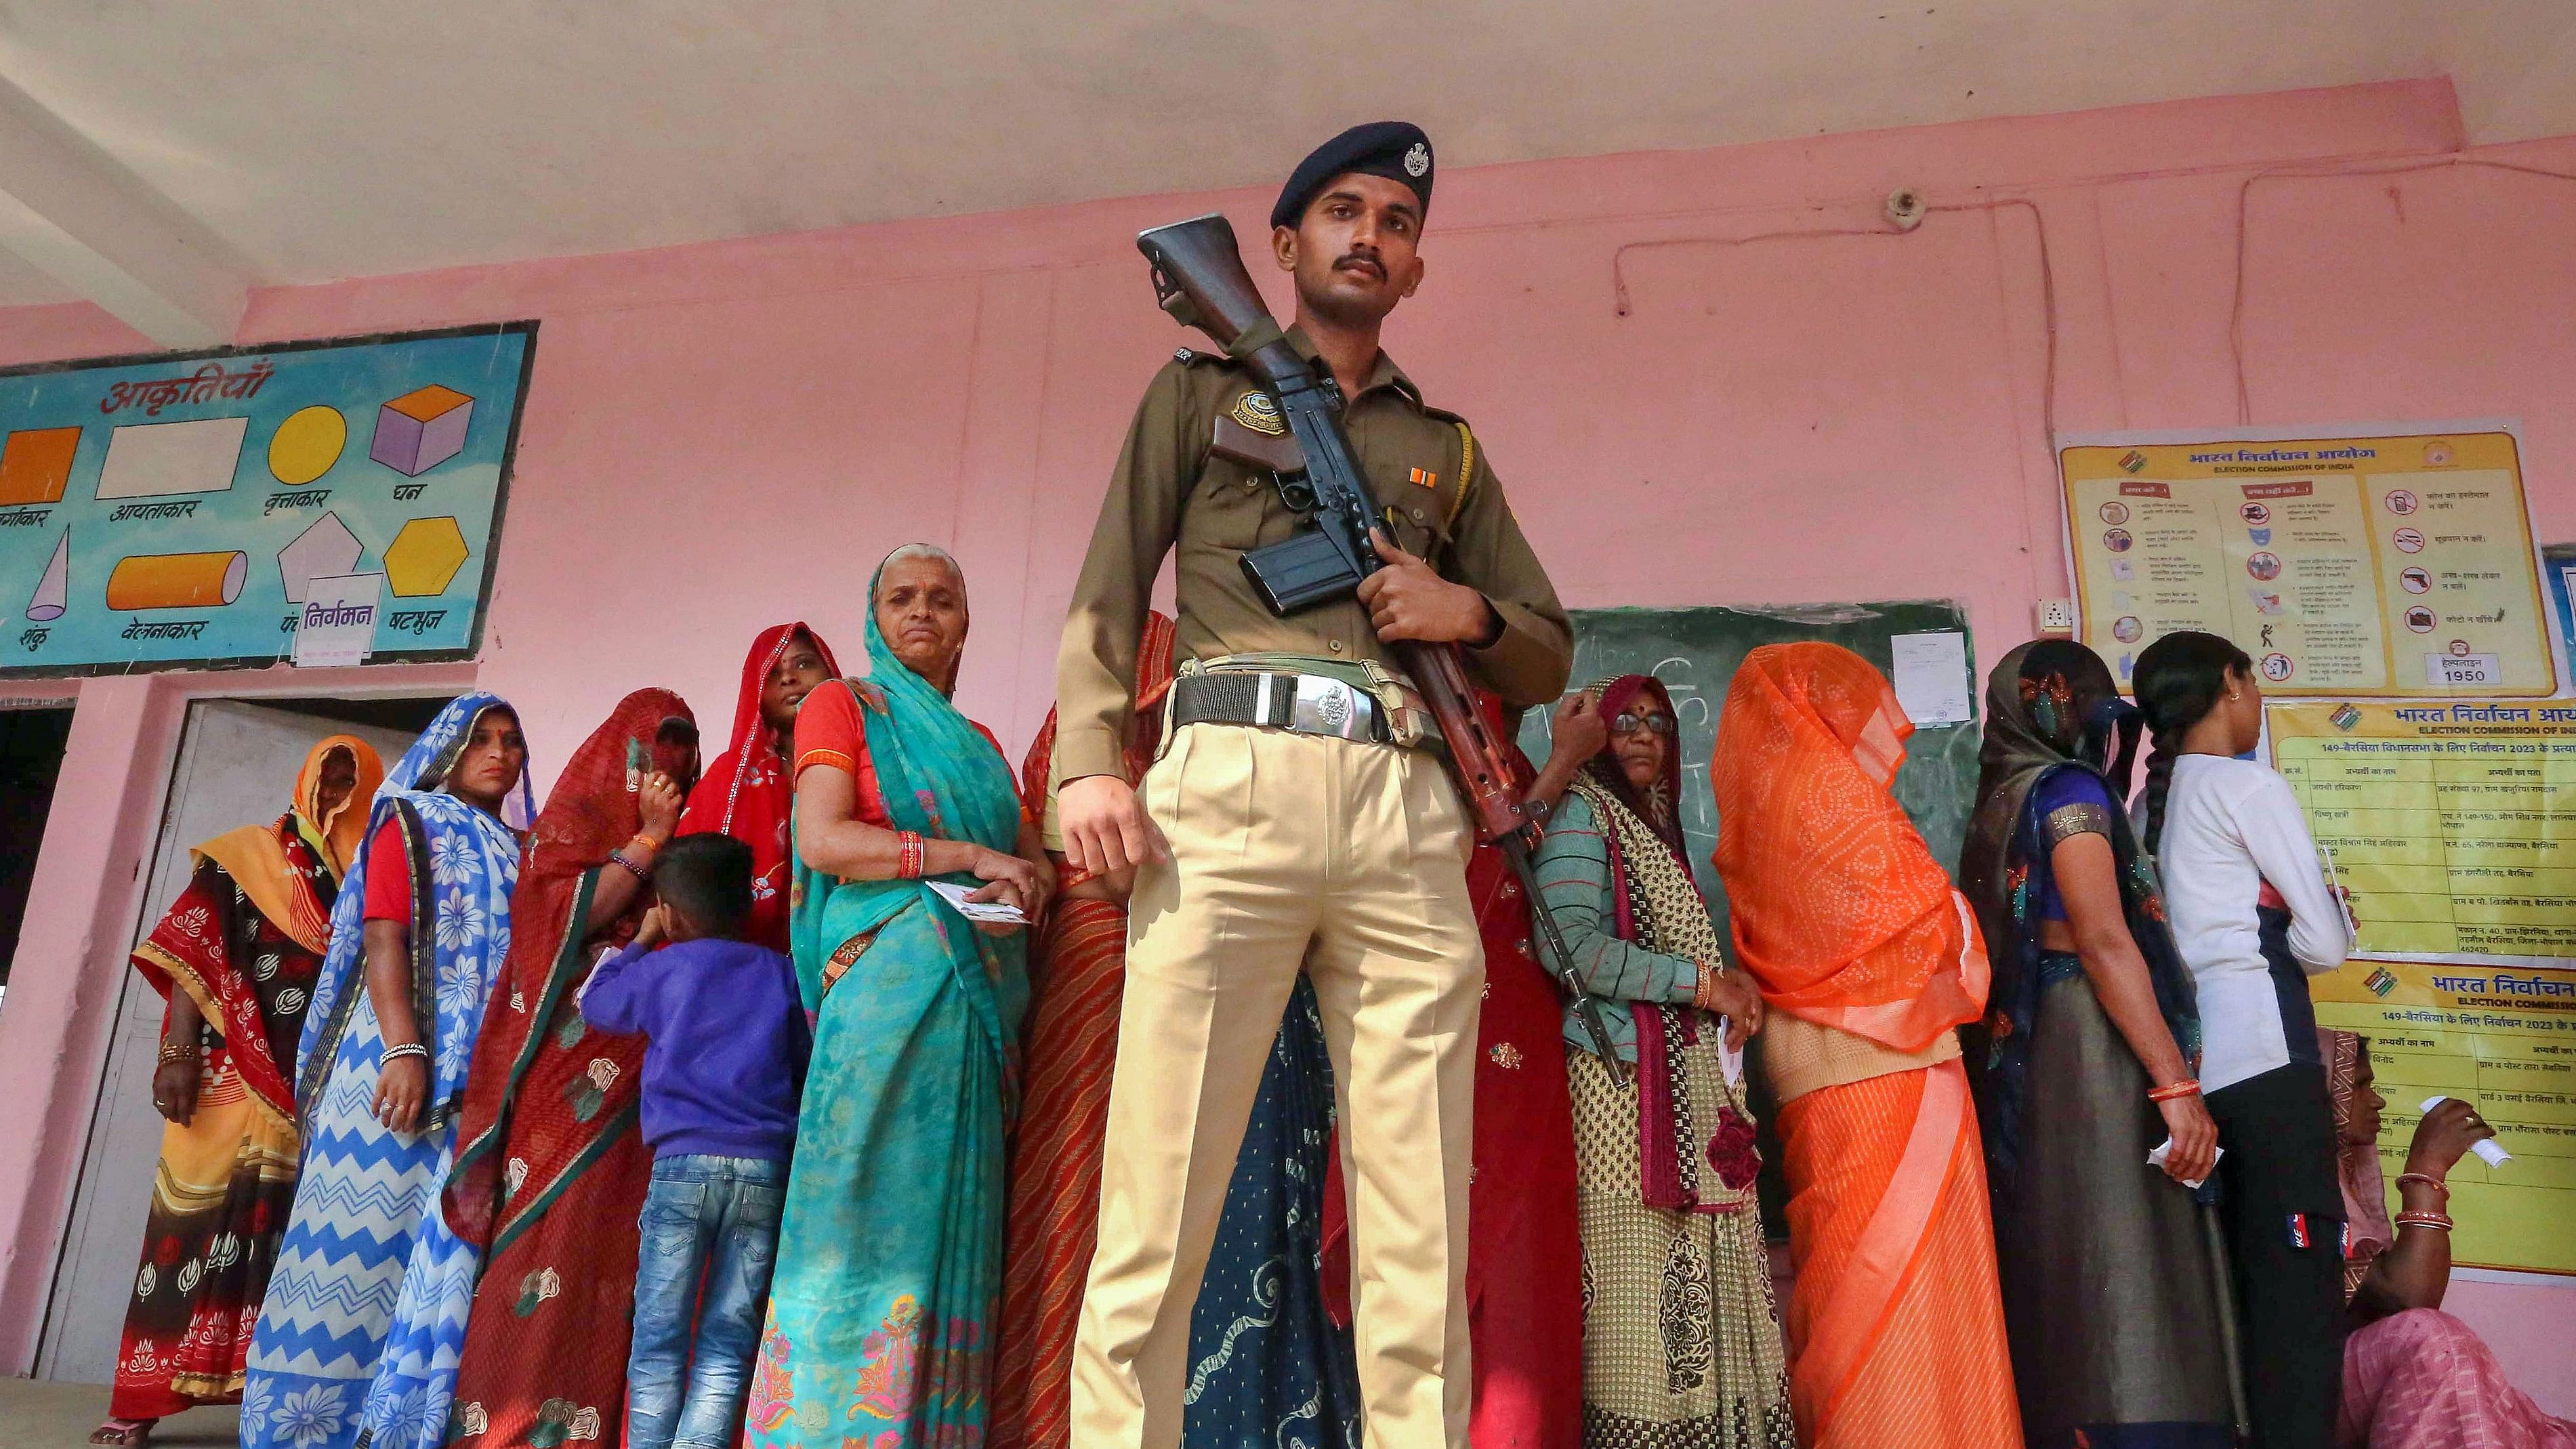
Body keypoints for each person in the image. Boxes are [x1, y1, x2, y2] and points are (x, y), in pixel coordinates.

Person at [1058, 120, 1573, 1449]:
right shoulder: (1194, 395)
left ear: (1412, 271)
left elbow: (1545, 638)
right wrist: (1083, 765)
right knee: (1153, 1210)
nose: (1369, 234)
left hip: (1402, 806)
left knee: (1420, 1222)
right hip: (1224, 784)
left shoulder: (1443, 450)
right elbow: (1108, 592)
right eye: (1341, 210)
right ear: (1281, 246)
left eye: (1395, 223)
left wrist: (1460, 604)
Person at [992, 612, 1365, 1449]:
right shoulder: (1074, 758)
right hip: (1098, 983)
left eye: (1163, 695)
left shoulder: (1233, 756)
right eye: (1139, 692)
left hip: (1218, 977)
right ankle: (1056, 1417)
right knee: (1086, 1195)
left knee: (1191, 1200)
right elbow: (1084, 874)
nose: (1150, 712)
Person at [741, 544, 1052, 1449]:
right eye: (901, 598)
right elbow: (827, 839)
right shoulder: (844, 704)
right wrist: (963, 858)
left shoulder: (983, 747)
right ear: (873, 617)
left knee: (949, 1215)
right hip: (882, 997)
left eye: (943, 600)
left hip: (976, 1007)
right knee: (853, 1217)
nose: (922, 612)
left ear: (965, 622)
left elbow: (1034, 864)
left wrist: (1025, 885)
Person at [1707, 644, 2020, 1449]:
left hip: (1811, 1067)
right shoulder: (1826, 793)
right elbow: (1920, 915)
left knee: (1844, 1266)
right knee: (1916, 1276)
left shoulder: (1755, 803)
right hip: (1890, 1061)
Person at [1960, 639, 2233, 1448]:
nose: (2105, 720)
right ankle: (2143, 1428)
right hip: (2091, 1039)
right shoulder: (2068, 791)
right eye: (2088, 698)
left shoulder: (2002, 793)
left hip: (2038, 1047)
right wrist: (2175, 1086)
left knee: (2066, 1239)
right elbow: (2105, 940)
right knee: (2125, 1240)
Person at [243, 695, 533, 1449]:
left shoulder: (520, 847)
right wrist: (405, 1051)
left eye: (512, 742)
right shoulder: (409, 819)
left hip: (477, 1078)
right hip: (392, 1064)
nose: (500, 753)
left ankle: (395, 1427)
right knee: (355, 1245)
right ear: (447, 748)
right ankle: (299, 1432)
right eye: (481, 740)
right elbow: (384, 937)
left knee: (432, 1255)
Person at [94, 736, 384, 1447]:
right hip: (229, 1078)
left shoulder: (378, 872)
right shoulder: (244, 856)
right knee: (183, 1235)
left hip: (326, 1090)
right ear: (305, 777)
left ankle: (287, 1407)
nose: (337, 788)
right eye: (329, 773)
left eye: (353, 776)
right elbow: (196, 946)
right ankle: (137, 1405)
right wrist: (176, 1054)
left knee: (303, 1245)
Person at [1526, 675, 1793, 1449]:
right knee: (1640, 1281)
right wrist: (1704, 985)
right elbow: (1568, 948)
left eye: (1657, 724)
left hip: (1679, 1084)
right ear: (1594, 737)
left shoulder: (1649, 826)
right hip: (1620, 1094)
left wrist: (1722, 1003)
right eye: (1624, 724)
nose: (1643, 737)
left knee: (1698, 1269)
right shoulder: (1582, 810)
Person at [438, 693, 701, 1448]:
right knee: (547, 1229)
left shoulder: (698, 816)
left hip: (643, 1077)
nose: (671, 762)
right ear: (620, 752)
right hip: (565, 1066)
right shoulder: (571, 826)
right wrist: (650, 838)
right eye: (657, 744)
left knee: (612, 1248)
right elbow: (568, 919)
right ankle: (502, 1424)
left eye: (684, 745)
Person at [2136, 629, 2355, 1449]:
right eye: (2252, 683)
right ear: (2229, 685)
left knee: (2234, 1292)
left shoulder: (2144, 806)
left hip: (2195, 1077)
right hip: (2267, 1062)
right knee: (2298, 1303)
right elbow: (2325, 945)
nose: (2257, 703)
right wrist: (2293, 932)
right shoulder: (2244, 785)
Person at [581, 834, 812, 1449]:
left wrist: (640, 939)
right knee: (727, 1344)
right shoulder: (781, 974)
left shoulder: (661, 968)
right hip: (765, 1170)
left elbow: (596, 1003)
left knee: (659, 1341)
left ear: (671, 911)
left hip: (682, 1168)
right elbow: (802, 1058)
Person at [2321, 1030, 2571, 1448]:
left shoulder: (2343, 1180)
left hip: (2346, 1376)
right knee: (2433, 1340)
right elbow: (2408, 1300)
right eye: (2361, 1085)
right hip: (2304, 1386)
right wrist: (2427, 1167)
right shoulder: (2287, 1183)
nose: (2376, 1100)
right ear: (2319, 1098)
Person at [677, 623, 841, 952]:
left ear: (831, 673)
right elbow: (687, 886)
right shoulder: (728, 779)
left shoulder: (873, 763)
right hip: (753, 973)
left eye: (804, 663)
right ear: (757, 694)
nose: (790, 678)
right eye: (772, 673)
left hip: (858, 953)